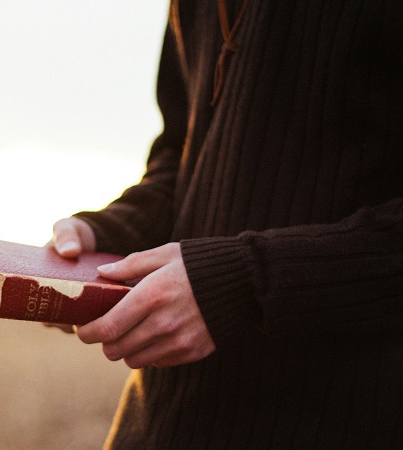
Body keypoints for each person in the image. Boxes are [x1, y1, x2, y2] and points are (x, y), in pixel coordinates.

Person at [47, 0, 403, 448]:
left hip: (345, 418)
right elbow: (185, 156)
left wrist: (243, 283)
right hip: (166, 421)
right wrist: (110, 233)